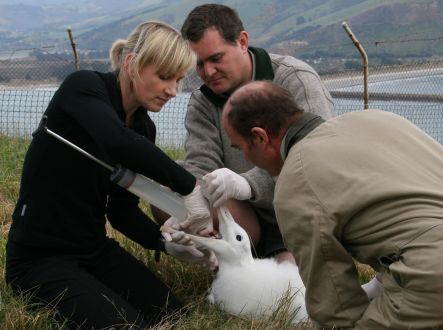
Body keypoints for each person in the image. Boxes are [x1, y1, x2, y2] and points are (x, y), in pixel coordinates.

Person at [5, 21, 215, 329]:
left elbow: (121, 211)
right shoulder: (83, 87)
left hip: (93, 248)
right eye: (164, 77)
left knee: (173, 315)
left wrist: (165, 243)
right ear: (131, 64)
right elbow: (116, 140)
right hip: (38, 258)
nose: (173, 90)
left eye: (179, 80)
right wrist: (190, 187)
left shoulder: (144, 127)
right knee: (126, 325)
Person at [218, 80, 443, 329]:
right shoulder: (378, 119)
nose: (246, 158)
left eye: (241, 148)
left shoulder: (296, 182)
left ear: (260, 138)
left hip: (431, 275)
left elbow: (335, 307)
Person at [175, 3, 335, 263]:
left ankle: (281, 257)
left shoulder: (296, 80)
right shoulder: (202, 101)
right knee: (169, 191)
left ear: (242, 41)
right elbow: (199, 165)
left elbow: (319, 160)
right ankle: (211, 248)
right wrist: (189, 212)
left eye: (216, 58)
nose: (208, 72)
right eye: (199, 64)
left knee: (290, 292)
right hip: (242, 217)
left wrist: (249, 184)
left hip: (299, 215)